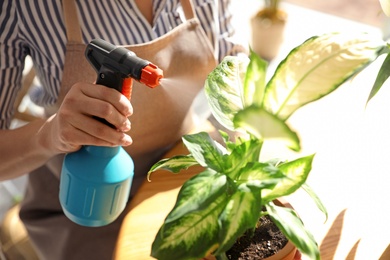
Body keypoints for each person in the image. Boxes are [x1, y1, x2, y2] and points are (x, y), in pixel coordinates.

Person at [0, 0, 247, 259]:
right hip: (85, 203)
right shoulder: (24, 7)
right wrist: (51, 134)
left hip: (178, 169)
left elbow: (234, 65)